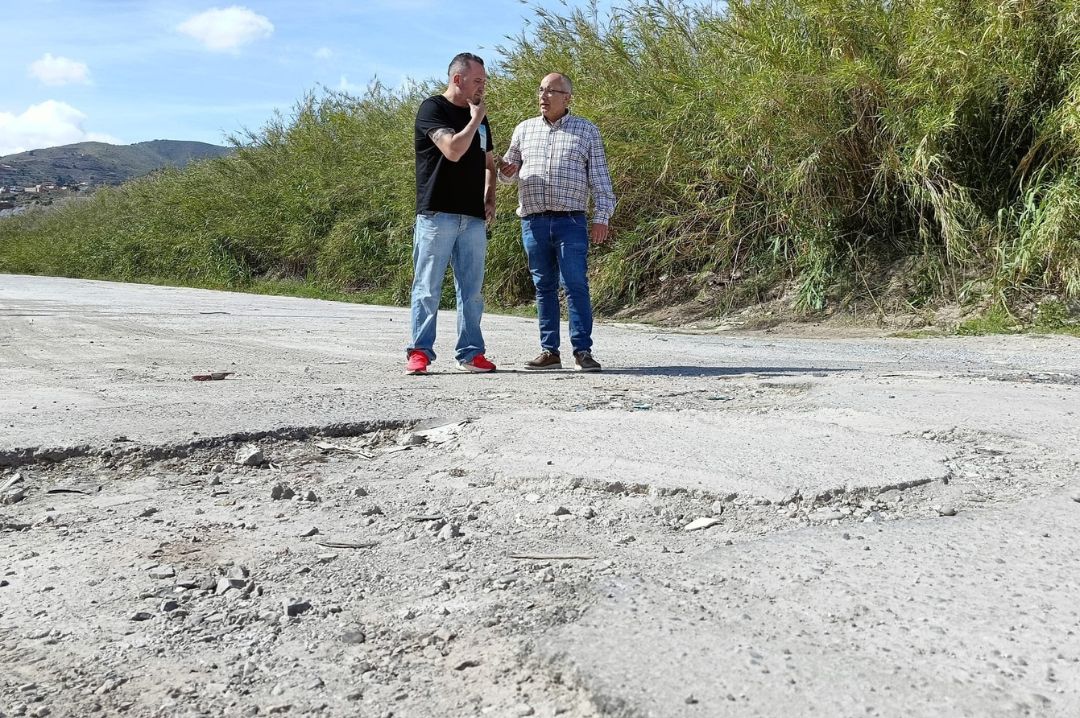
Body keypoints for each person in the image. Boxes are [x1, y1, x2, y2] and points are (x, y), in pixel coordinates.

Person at [498, 72, 615, 372]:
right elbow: (506, 175)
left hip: (570, 222)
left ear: (567, 98)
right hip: (533, 222)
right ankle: (549, 351)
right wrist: (506, 171)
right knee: (543, 287)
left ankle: (582, 351)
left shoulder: (586, 130)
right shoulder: (524, 130)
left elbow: (600, 180)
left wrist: (601, 217)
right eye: (541, 90)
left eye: (551, 91)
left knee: (575, 284)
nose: (543, 96)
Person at [406, 52, 499, 375]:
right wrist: (475, 119)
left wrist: (491, 196)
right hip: (437, 215)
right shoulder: (433, 109)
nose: (482, 88)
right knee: (428, 287)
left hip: (472, 217)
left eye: (484, 81)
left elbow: (489, 163)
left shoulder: (481, 117)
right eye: (477, 81)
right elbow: (454, 151)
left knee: (472, 292)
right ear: (457, 79)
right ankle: (419, 352)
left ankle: (471, 353)